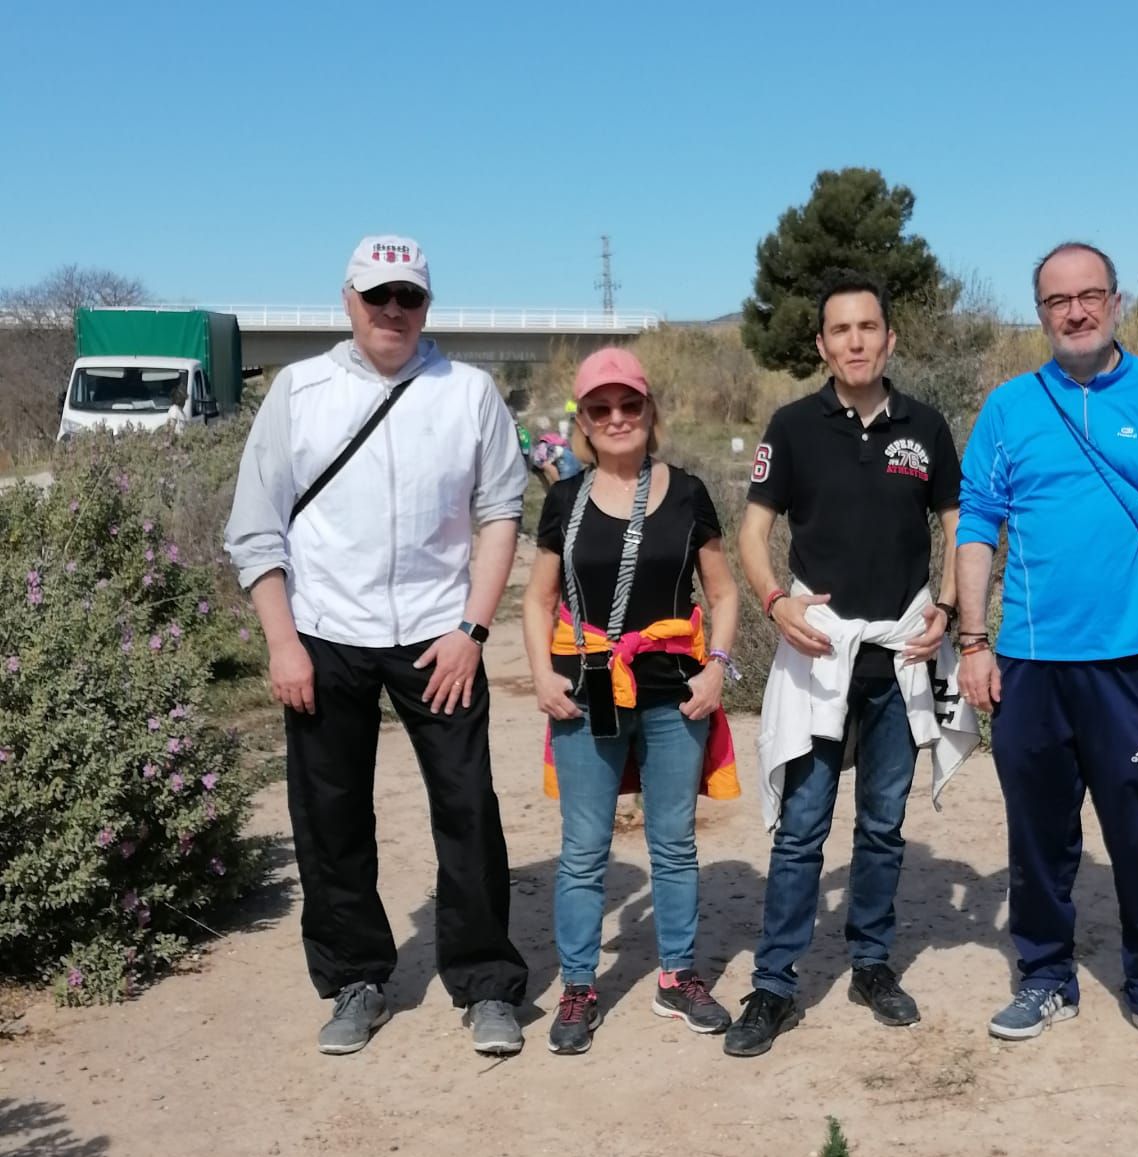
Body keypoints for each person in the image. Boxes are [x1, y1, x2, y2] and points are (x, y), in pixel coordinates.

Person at [225, 234, 530, 1058]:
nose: (394, 311)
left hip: (439, 636)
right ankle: (356, 979)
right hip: (325, 634)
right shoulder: (300, 390)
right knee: (330, 818)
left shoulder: (467, 392)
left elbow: (501, 512)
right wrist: (283, 644)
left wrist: (472, 629)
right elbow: (256, 529)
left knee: (468, 810)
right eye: (378, 296)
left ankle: (487, 983)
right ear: (349, 299)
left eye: (411, 298)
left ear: (428, 305)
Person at [955, 242, 1138, 1063]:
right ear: (1039, 313)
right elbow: (977, 524)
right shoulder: (1009, 408)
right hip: (1033, 661)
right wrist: (974, 641)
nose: (1074, 311)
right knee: (1036, 834)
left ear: (1116, 300)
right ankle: (1044, 977)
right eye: (1056, 301)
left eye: (1089, 296)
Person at [726, 271, 967, 1058]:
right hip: (820, 651)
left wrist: (952, 610)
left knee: (883, 825)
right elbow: (754, 532)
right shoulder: (792, 427)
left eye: (869, 327)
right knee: (801, 830)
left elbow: (960, 523)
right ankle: (774, 983)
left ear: (890, 338)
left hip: (899, 654)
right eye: (841, 330)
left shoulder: (926, 428)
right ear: (822, 345)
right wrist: (774, 603)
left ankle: (870, 963)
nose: (856, 341)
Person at [522, 348, 740, 1056]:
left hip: (674, 692)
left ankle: (677, 976)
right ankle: (580, 986)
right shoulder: (564, 499)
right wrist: (541, 675)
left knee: (673, 844)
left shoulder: (688, 493)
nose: (616, 419)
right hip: (583, 691)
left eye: (629, 405)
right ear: (583, 421)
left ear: (650, 412)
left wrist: (718, 670)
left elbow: (725, 592)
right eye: (600, 409)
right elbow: (537, 600)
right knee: (584, 849)